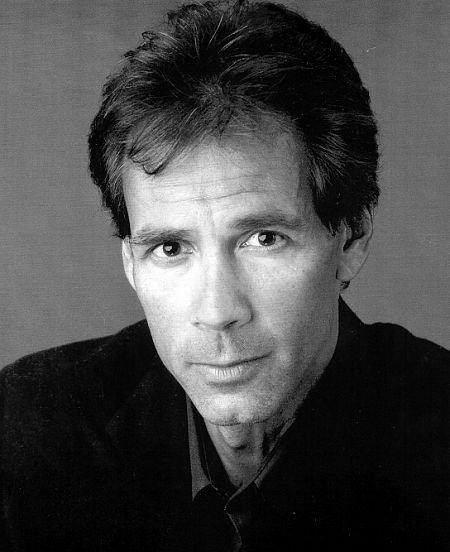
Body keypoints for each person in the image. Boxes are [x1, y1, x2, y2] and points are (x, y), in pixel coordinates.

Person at [1, 1, 448, 550]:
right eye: (169, 248)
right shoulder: (29, 433)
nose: (217, 312)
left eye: (264, 239)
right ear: (130, 263)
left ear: (350, 239)